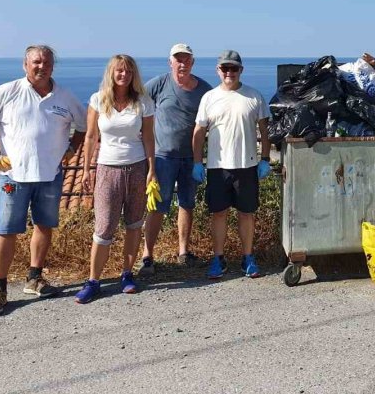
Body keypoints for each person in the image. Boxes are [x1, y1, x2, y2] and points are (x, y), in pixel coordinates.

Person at [0, 45, 87, 316]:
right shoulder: (7, 92)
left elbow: (83, 125)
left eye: (46, 62)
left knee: (44, 226)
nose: (41, 67)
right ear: (25, 65)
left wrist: (71, 150)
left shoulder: (65, 96)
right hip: (13, 176)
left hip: (50, 176)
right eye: (36, 62)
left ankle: (34, 278)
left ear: (53, 67)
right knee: (6, 231)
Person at [75, 55, 156, 303]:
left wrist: (152, 169)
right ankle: (93, 281)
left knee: (134, 224)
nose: (124, 75)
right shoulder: (98, 100)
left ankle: (127, 274)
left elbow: (149, 138)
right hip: (107, 169)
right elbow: (90, 137)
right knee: (104, 227)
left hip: (137, 167)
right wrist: (86, 169)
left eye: (129, 72)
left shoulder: (143, 102)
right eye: (120, 71)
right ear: (112, 73)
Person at [192, 50, 271, 279]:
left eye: (233, 68)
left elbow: (265, 132)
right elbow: (199, 131)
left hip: (247, 166)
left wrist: (264, 159)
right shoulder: (209, 97)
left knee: (247, 213)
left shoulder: (254, 97)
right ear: (218, 70)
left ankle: (248, 257)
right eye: (225, 68)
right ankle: (218, 258)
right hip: (218, 166)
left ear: (241, 70)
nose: (229, 72)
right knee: (219, 213)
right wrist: (198, 162)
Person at [139, 43, 213, 273]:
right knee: (158, 206)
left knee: (187, 203)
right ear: (170, 62)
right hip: (163, 157)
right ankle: (147, 255)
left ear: (193, 62)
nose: (182, 64)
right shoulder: (159, 84)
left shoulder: (204, 89)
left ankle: (183, 251)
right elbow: (138, 105)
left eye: (186, 59)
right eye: (178, 59)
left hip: (192, 158)